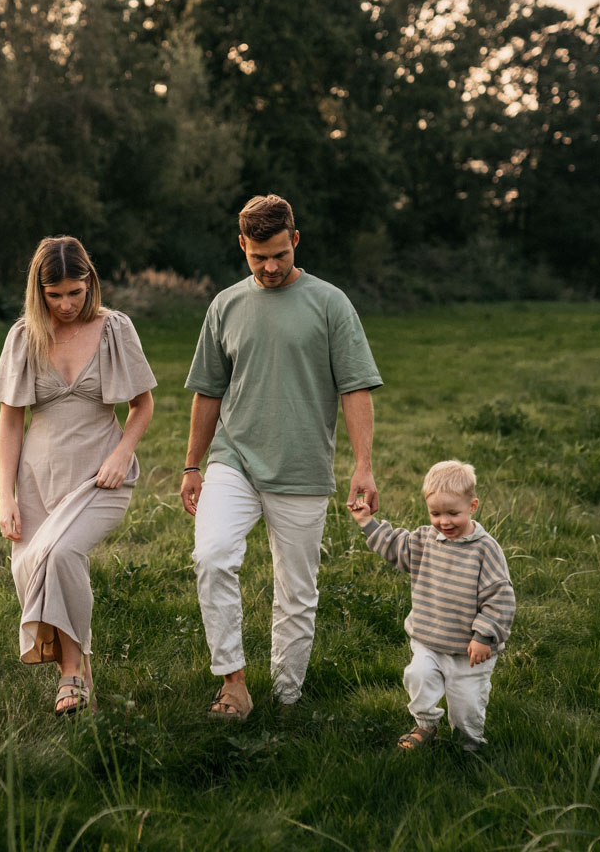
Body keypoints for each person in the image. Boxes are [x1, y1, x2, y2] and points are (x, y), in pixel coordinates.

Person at [181, 194, 382, 718]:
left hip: (302, 468)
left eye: (279, 255)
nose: (269, 267)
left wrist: (363, 465)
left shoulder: (331, 303)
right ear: (242, 245)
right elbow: (207, 391)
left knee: (297, 590)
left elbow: (356, 387)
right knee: (212, 555)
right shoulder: (225, 305)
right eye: (257, 257)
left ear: (295, 240)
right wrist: (191, 464)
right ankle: (234, 683)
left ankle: (288, 697)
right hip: (235, 460)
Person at [0, 236, 156, 715]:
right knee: (34, 565)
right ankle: (80, 675)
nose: (66, 304)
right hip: (36, 480)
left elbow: (142, 404)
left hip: (99, 474)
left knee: (61, 554)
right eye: (54, 294)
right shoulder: (24, 337)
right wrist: (6, 497)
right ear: (38, 291)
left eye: (75, 293)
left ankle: (71, 674)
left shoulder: (114, 329)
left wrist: (123, 453)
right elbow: (10, 421)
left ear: (91, 284)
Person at [350, 460, 515, 751]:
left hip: (469, 650)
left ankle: (469, 745)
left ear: (473, 506)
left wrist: (484, 636)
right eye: (436, 513)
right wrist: (367, 522)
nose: (445, 522)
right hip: (429, 638)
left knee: (466, 703)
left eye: (454, 513)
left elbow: (499, 596)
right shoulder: (425, 540)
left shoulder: (485, 549)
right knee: (418, 676)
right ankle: (426, 725)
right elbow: (394, 546)